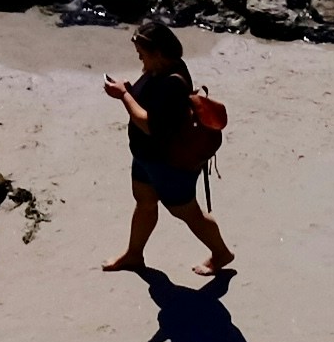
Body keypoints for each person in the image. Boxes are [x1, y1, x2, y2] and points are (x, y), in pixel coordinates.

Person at [100, 19, 234, 278]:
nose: (141, 61)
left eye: (142, 56)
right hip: (145, 157)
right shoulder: (157, 70)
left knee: (186, 212)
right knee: (145, 203)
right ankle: (134, 254)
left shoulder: (173, 82)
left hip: (169, 163)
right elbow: (146, 101)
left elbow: (150, 125)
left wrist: (123, 96)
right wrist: (129, 89)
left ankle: (221, 253)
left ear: (158, 54)